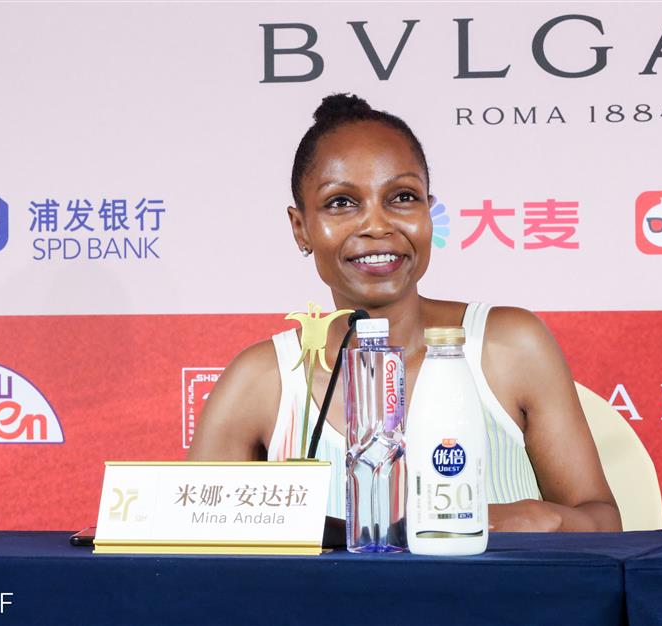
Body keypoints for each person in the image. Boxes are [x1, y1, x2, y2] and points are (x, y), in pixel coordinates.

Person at [188, 93, 621, 532]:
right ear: (301, 228)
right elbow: (191, 540)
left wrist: (526, 518)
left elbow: (603, 523)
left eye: (402, 197)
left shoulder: (509, 346)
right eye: (341, 202)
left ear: (430, 213)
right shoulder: (260, 383)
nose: (377, 225)